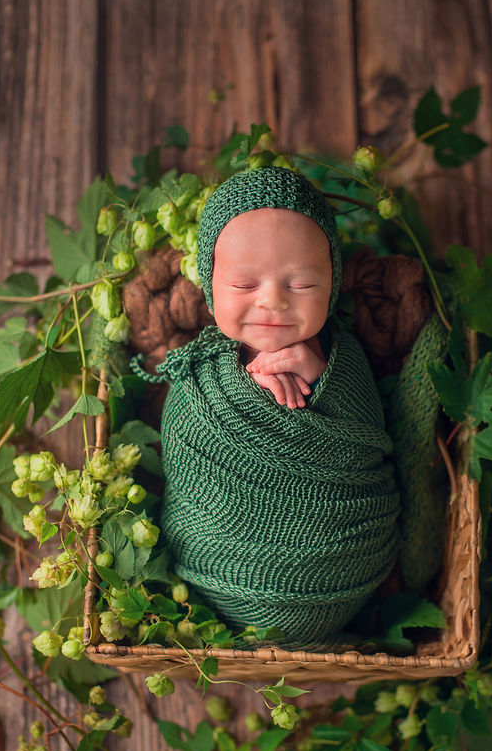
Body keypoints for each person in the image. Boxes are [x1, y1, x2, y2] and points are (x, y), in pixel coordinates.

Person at [131, 166, 400, 644]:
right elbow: (182, 451)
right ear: (210, 289)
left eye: (300, 285)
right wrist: (237, 396)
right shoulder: (200, 374)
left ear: (333, 284)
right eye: (244, 285)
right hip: (216, 562)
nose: (273, 302)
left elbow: (370, 437)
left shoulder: (344, 356)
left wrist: (324, 379)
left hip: (338, 570)